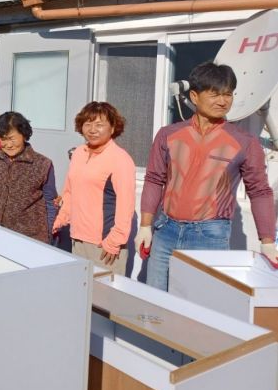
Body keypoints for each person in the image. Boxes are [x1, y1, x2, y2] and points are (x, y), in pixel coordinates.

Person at [136, 62, 277, 290]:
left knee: (201, 309)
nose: (223, 101)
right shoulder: (168, 134)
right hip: (165, 230)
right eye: (214, 94)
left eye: (228, 94)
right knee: (157, 304)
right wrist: (145, 226)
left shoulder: (244, 141)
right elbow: (154, 179)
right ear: (194, 96)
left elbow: (259, 191)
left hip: (209, 236)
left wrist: (267, 241)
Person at [52, 102, 136, 275]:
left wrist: (114, 241)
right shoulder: (78, 153)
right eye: (87, 124)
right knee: (82, 296)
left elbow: (126, 204)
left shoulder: (120, 159)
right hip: (77, 238)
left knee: (105, 299)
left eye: (99, 125)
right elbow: (70, 191)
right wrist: (60, 221)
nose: (92, 129)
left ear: (112, 128)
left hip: (104, 244)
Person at [0, 111, 57, 242]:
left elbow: (50, 202)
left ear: (24, 135)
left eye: (12, 138)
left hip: (30, 236)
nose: (8, 145)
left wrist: (50, 234)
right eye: (3, 139)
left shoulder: (42, 164)